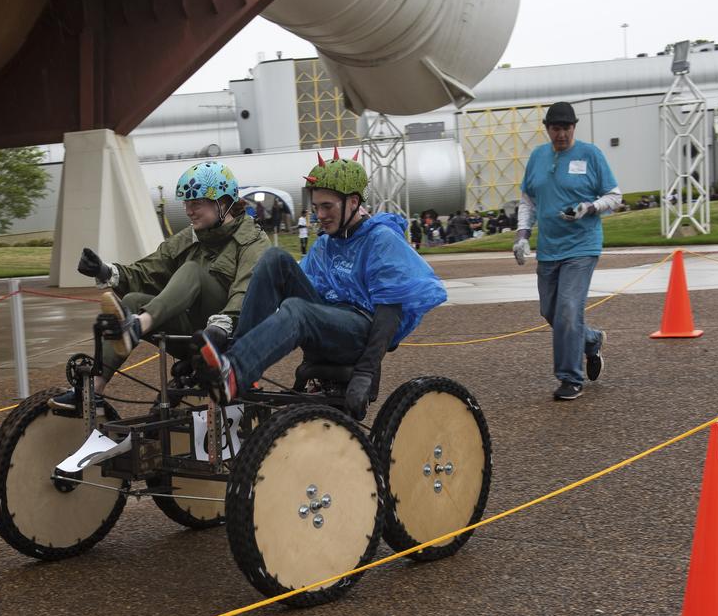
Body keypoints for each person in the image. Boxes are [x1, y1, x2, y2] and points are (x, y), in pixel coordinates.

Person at [194, 150, 447, 420]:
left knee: (297, 309)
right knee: (275, 258)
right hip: (327, 323)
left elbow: (390, 313)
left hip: (359, 332)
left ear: (352, 202)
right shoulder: (326, 243)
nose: (319, 215)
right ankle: (235, 360)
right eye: (316, 207)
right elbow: (295, 290)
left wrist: (365, 372)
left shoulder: (381, 239)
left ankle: (235, 372)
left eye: (327, 206)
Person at [51, 160, 269, 410]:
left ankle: (137, 326)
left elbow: (246, 291)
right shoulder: (189, 237)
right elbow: (148, 271)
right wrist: (105, 270)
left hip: (228, 338)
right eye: (186, 203)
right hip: (195, 337)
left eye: (195, 203)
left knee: (192, 271)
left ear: (222, 203)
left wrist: (222, 326)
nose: (188, 210)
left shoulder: (252, 240)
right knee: (132, 302)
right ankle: (92, 391)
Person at [514, 100, 623, 401]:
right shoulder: (537, 157)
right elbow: (528, 201)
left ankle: (570, 378)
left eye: (567, 128)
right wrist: (523, 235)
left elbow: (614, 196)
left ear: (574, 127)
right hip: (549, 249)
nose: (561, 134)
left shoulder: (591, 155)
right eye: (556, 128)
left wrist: (590, 207)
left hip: (582, 246)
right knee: (551, 311)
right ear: (547, 129)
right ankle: (591, 340)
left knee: (568, 310)